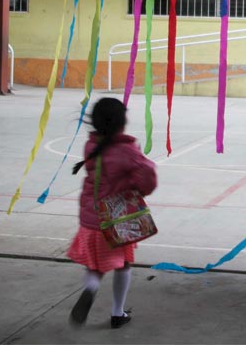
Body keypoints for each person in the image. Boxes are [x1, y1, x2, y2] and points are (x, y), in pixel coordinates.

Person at [67, 97, 158, 328]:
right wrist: (141, 189)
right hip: (117, 220)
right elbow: (147, 174)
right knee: (123, 264)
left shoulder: (91, 146)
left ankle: (91, 287)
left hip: (91, 220)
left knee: (94, 266)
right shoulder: (126, 151)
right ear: (122, 122)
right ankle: (117, 313)